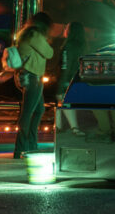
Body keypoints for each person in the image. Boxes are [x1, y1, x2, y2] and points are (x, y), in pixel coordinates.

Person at [13, 12, 55, 159]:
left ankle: (31, 145)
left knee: (39, 110)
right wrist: (47, 43)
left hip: (27, 75)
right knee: (27, 112)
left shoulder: (27, 33)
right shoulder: (35, 35)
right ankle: (21, 149)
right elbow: (49, 53)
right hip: (32, 76)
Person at [55, 21, 86, 136]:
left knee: (62, 101)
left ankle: (73, 128)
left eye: (66, 28)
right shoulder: (82, 45)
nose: (64, 30)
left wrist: (61, 83)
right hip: (77, 79)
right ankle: (58, 126)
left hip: (66, 79)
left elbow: (65, 66)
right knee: (62, 103)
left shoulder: (68, 46)